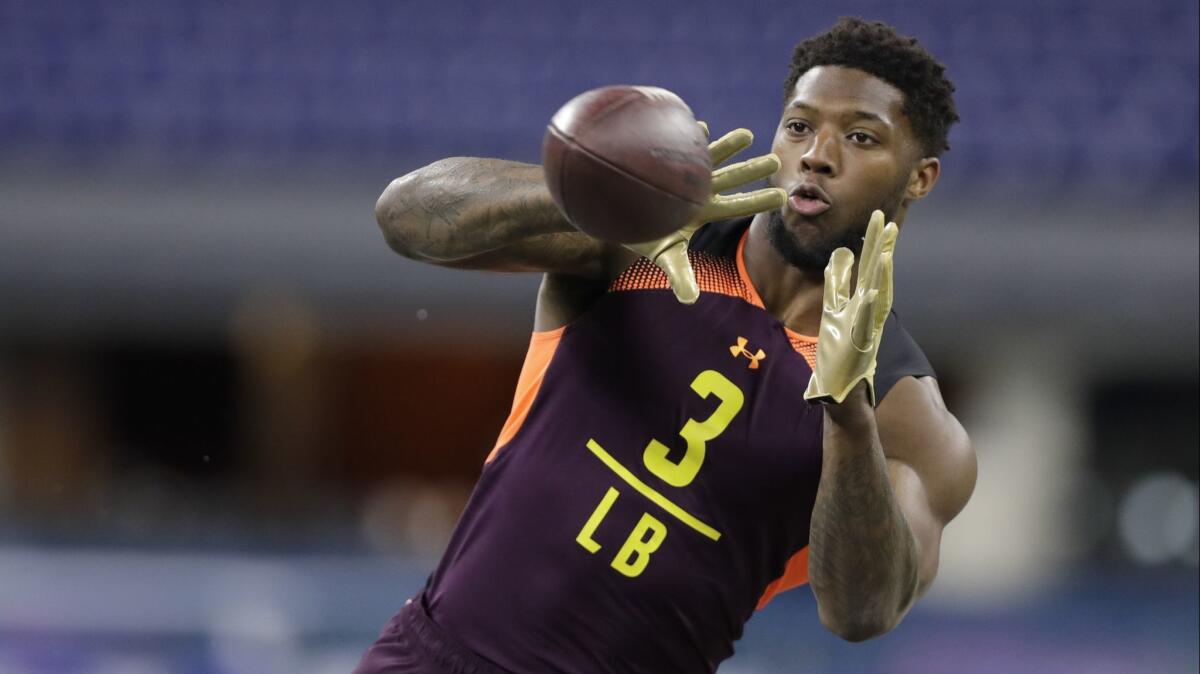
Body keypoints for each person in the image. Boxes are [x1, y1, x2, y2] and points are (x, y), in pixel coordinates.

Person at [356, 17, 976, 674]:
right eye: (799, 126)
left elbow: (861, 613)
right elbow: (405, 217)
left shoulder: (904, 413)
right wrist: (598, 199)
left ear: (920, 177)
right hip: (436, 655)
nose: (817, 154)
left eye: (860, 137)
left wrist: (848, 414)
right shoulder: (642, 249)